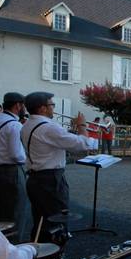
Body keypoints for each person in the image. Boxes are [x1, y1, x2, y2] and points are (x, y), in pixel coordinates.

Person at [21, 92, 95, 242]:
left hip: (35, 177)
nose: (53, 109)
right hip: (50, 179)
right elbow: (83, 144)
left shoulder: (27, 125)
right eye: (51, 105)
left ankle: (40, 254)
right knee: (56, 220)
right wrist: (82, 125)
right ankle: (54, 256)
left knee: (41, 220)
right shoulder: (48, 127)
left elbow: (58, 141)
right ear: (42, 108)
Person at [0, 93, 28, 239]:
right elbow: (16, 154)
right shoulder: (14, 125)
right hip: (11, 171)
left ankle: (0, 245)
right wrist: (28, 159)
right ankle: (13, 248)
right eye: (23, 105)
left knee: (1, 212)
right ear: (18, 105)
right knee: (15, 213)